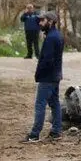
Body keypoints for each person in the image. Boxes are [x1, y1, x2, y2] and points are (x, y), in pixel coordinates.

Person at [21, 12, 64, 143]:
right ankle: (56, 131)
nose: (40, 23)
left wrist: (39, 73)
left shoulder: (51, 38)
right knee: (54, 103)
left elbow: (47, 60)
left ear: (50, 22)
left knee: (40, 104)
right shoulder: (57, 35)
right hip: (55, 76)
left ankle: (34, 134)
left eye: (42, 21)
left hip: (48, 77)